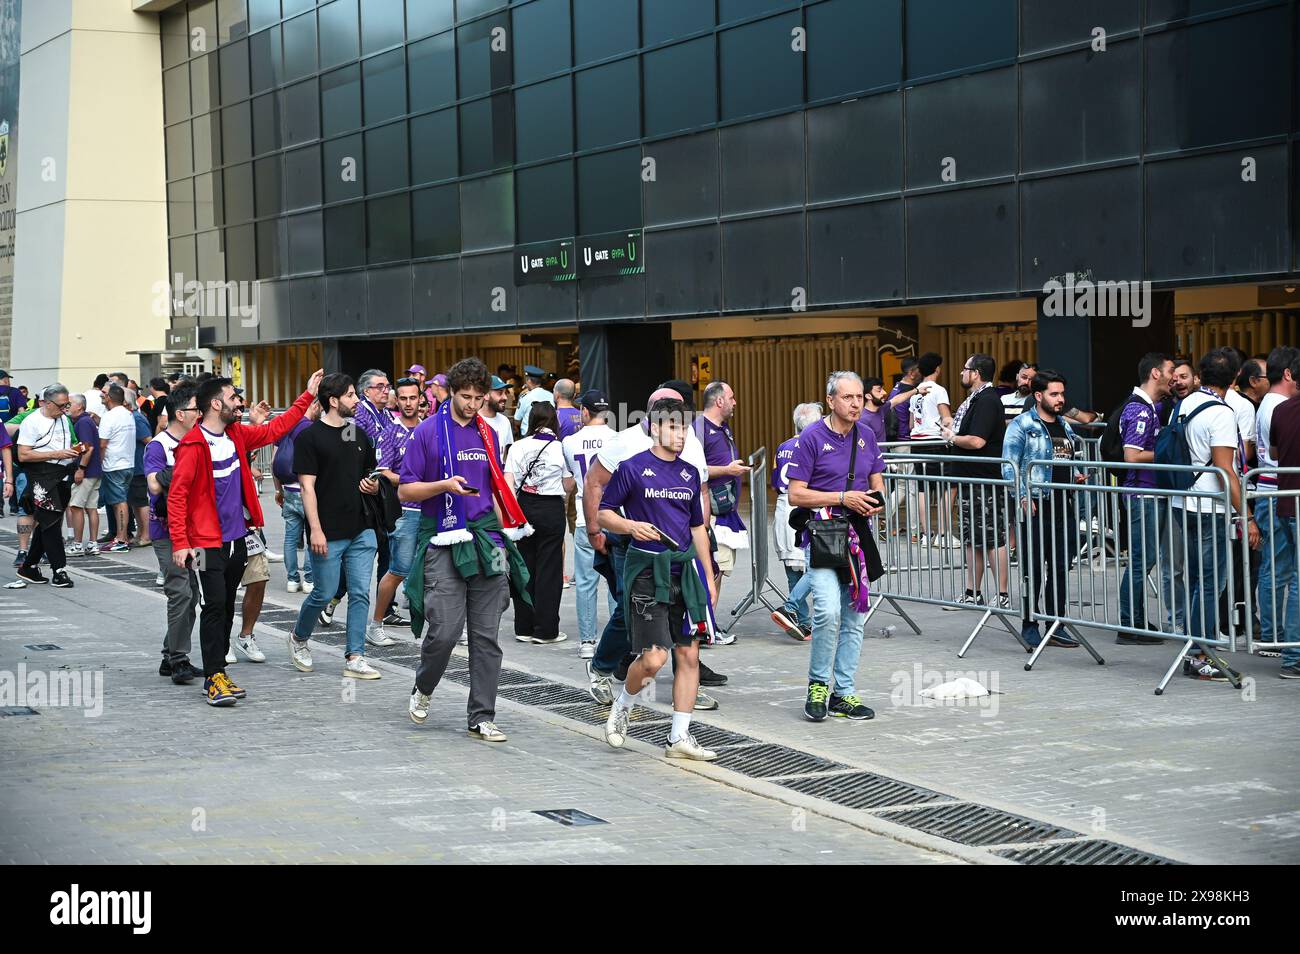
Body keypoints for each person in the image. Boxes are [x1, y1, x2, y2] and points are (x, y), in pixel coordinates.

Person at [400, 356, 534, 743]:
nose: (474, 404)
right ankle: (424, 687)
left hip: (485, 537)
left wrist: (503, 538)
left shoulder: (489, 433)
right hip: (443, 537)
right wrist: (444, 486)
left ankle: (482, 715)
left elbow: (492, 488)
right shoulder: (427, 432)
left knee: (487, 634)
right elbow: (406, 490)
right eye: (466, 397)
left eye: (479, 397)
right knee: (444, 630)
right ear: (450, 393)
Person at [168, 371, 321, 706]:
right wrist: (180, 543)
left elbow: (274, 430)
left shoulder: (236, 434)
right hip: (206, 545)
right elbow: (176, 497)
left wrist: (307, 395)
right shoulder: (193, 446)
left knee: (224, 608)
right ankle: (212, 678)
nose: (239, 402)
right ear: (215, 404)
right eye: (232, 397)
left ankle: (219, 671)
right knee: (212, 606)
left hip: (238, 538)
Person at [582, 384, 726, 710]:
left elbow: (699, 490)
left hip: (682, 551)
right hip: (634, 547)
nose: (679, 429)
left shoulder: (690, 448)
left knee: (686, 642)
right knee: (626, 612)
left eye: (683, 421)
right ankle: (603, 667)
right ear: (652, 421)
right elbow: (594, 482)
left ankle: (686, 688)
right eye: (670, 419)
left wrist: (707, 565)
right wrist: (595, 529)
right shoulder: (626, 445)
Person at [787, 371, 886, 722]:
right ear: (831, 401)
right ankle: (817, 685)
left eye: (859, 397)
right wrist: (842, 496)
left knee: (855, 617)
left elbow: (877, 478)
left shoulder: (867, 435)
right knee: (828, 612)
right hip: (824, 537)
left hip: (858, 538)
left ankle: (843, 693)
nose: (856, 403)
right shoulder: (812, 436)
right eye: (848, 397)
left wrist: (876, 499)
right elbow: (795, 494)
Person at [287, 374, 383, 680]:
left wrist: (373, 485)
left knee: (359, 593)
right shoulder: (309, 438)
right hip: (327, 530)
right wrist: (315, 529)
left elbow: (370, 473)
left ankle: (355, 656)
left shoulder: (358, 434)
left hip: (362, 528)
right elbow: (307, 488)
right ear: (333, 400)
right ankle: (299, 638)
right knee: (324, 592)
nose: (357, 401)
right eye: (352, 395)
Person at [1173, 349, 1261, 681]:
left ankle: (1195, 649)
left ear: (1199, 375)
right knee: (1210, 582)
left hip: (1185, 502)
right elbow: (1226, 470)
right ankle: (1201, 653)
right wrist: (1247, 516)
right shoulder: (1221, 413)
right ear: (1236, 378)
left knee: (1197, 579)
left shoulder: (1185, 404)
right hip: (1210, 505)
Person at [1001, 370, 1087, 649]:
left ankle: (1056, 623)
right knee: (1033, 567)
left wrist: (1076, 474)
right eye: (1054, 394)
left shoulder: (1065, 425)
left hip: (1064, 504)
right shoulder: (1022, 425)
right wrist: (1023, 496)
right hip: (1036, 505)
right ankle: (1029, 623)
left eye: (1062, 393)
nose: (1060, 399)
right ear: (1038, 396)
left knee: (1061, 567)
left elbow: (1068, 458)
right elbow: (1009, 466)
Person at [143, 384, 204, 684]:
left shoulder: (201, 439)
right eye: (196, 409)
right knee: (179, 591)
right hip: (166, 529)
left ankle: (171, 655)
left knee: (191, 594)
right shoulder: (159, 445)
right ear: (180, 414)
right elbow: (154, 485)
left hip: (196, 531)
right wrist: (183, 465)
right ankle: (179, 658)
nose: (201, 413)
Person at [942, 354, 1010, 610]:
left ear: (976, 373)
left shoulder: (987, 401)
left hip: (985, 480)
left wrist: (951, 438)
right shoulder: (978, 400)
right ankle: (973, 591)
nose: (962, 372)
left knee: (992, 538)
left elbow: (977, 441)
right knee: (972, 539)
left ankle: (1002, 594)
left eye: (965, 369)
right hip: (972, 479)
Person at [1116, 353, 1175, 642]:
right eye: (1170, 371)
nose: (1174, 377)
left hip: (1148, 494)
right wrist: (1169, 454)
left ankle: (1134, 621)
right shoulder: (1139, 410)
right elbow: (1132, 456)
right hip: (1143, 494)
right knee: (1142, 559)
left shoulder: (1149, 407)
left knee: (1144, 558)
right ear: (1155, 373)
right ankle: (1130, 624)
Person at [506, 401, 570, 644]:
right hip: (551, 507)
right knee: (550, 569)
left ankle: (523, 626)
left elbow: (509, 483)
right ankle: (545, 630)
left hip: (524, 507)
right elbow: (568, 483)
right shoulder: (559, 448)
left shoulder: (517, 446)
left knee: (524, 567)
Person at [366, 377, 423, 647]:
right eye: (403, 398)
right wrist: (412, 480)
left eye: (413, 397)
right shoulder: (389, 432)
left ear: (421, 398)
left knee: (437, 571)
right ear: (396, 400)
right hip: (405, 513)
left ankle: (441, 627)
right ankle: (375, 624)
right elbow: (383, 472)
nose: (408, 403)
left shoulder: (429, 430)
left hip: (432, 511)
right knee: (398, 570)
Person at [561, 389, 617, 659]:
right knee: (616, 580)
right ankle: (619, 636)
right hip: (614, 516)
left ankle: (587, 641)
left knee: (585, 581)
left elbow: (568, 482)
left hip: (586, 516)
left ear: (584, 411)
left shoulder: (570, 442)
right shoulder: (618, 440)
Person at [1256, 346, 1300, 657]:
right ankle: (1279, 640)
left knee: (1282, 570)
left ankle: (1279, 638)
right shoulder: (1277, 406)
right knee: (1281, 571)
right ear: (1287, 374)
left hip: (1277, 494)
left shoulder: (1279, 407)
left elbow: (1273, 452)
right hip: (1277, 493)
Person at [14, 385, 80, 588]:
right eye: (61, 405)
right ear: (48, 403)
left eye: (67, 404)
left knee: (48, 521)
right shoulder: (31, 421)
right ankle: (59, 570)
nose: (65, 409)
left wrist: (74, 452)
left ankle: (29, 566)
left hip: (62, 475)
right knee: (50, 522)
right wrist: (56, 454)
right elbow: (23, 454)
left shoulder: (64, 419)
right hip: (41, 475)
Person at [770, 402, 822, 641]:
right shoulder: (816, 446)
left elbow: (774, 480)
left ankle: (803, 623)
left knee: (793, 570)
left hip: (783, 506)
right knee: (817, 567)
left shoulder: (782, 447)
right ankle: (790, 609)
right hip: (805, 506)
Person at [695, 381, 749, 609]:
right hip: (711, 513)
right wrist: (727, 470)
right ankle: (706, 626)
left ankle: (709, 624)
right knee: (713, 569)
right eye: (732, 397)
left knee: (720, 569)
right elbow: (694, 469)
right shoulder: (699, 429)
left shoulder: (723, 427)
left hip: (725, 510)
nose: (735, 402)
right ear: (719, 401)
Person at [272, 399, 320, 593]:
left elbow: (275, 461)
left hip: (288, 491)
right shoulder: (311, 429)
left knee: (290, 538)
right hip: (306, 490)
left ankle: (292, 580)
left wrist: (278, 490)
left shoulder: (285, 425)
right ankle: (309, 579)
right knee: (311, 536)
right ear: (314, 406)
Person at [908, 352, 953, 546]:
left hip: (917, 442)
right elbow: (946, 418)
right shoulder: (939, 390)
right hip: (935, 441)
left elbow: (911, 424)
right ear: (937, 369)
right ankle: (942, 535)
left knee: (922, 488)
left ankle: (926, 534)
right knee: (946, 488)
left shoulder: (915, 392)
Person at [96, 384, 136, 553]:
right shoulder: (127, 414)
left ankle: (121, 540)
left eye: (104, 393)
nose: (101, 396)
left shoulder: (109, 416)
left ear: (110, 398)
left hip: (113, 465)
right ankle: (122, 537)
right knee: (120, 501)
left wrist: (98, 463)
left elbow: (103, 444)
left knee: (119, 502)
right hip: (127, 463)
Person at [65, 394, 102, 558]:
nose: (67, 406)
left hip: (86, 472)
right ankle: (93, 543)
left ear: (79, 406)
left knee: (76, 506)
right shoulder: (87, 421)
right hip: (94, 470)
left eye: (70, 403)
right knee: (91, 507)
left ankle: (78, 544)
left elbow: (88, 448)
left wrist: (80, 468)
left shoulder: (82, 422)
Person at [127, 390, 154, 546]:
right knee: (135, 502)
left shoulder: (137, 419)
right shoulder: (132, 417)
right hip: (134, 466)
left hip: (140, 466)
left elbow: (149, 441)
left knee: (141, 501)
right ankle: (140, 532)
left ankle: (147, 535)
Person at [481, 374, 515, 464]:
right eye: (500, 393)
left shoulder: (505, 421)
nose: (505, 397)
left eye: (505, 392)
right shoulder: (474, 421)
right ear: (486, 395)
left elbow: (506, 455)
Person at [514, 367, 553, 436]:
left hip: (528, 437)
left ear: (529, 380)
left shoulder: (525, 397)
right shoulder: (551, 396)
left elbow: (517, 421)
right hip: (548, 437)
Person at [859, 377, 889, 445]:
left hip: (884, 455)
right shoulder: (863, 419)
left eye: (883, 389)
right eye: (879, 391)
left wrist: (916, 390)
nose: (884, 393)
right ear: (868, 396)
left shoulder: (881, 408)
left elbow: (897, 399)